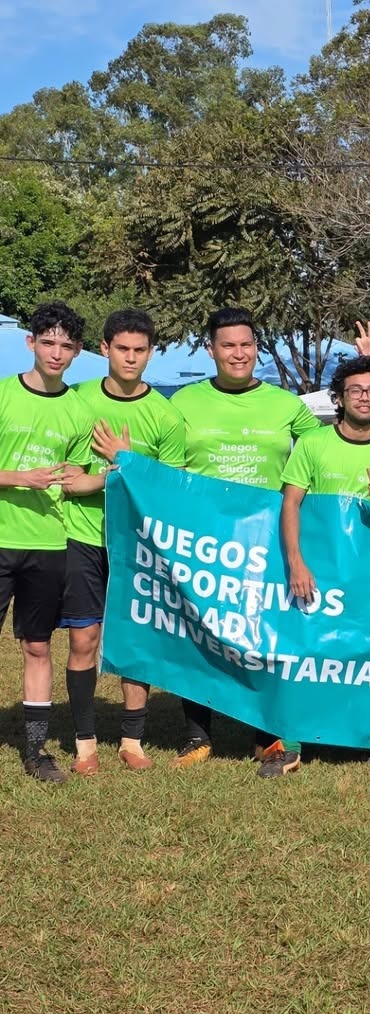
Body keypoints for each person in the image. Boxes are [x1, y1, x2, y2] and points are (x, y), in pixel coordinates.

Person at [168, 307, 321, 773]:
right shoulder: (183, 402)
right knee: (198, 631)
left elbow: (326, 450)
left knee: (262, 631)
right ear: (211, 349)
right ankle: (197, 734)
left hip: (264, 539)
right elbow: (161, 463)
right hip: (203, 540)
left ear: (257, 347)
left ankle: (265, 734)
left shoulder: (286, 404)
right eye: (228, 345)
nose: (239, 353)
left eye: (247, 344)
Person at [60, 309, 186, 775]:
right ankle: (85, 742)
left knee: (136, 640)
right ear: (104, 349)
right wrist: (116, 473)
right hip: (83, 536)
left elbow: (169, 491)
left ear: (151, 353)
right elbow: (68, 477)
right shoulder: (77, 399)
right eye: (122, 349)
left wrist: (126, 465)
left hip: (138, 544)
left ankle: (132, 740)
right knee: (84, 639)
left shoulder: (165, 416)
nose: (130, 358)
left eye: (139, 350)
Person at [281, 355, 370, 772]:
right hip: (316, 571)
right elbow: (291, 504)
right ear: (339, 398)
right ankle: (292, 742)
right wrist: (295, 562)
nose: (364, 397)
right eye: (355, 390)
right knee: (305, 652)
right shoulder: (313, 444)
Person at [0, 301, 93, 783]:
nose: (56, 352)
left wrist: (112, 472)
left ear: (77, 352)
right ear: (30, 342)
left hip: (49, 544)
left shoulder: (79, 410)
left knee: (37, 646)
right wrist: (21, 478)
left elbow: (75, 478)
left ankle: (36, 751)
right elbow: (29, 476)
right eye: (48, 342)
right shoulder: (3, 395)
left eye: (66, 345)